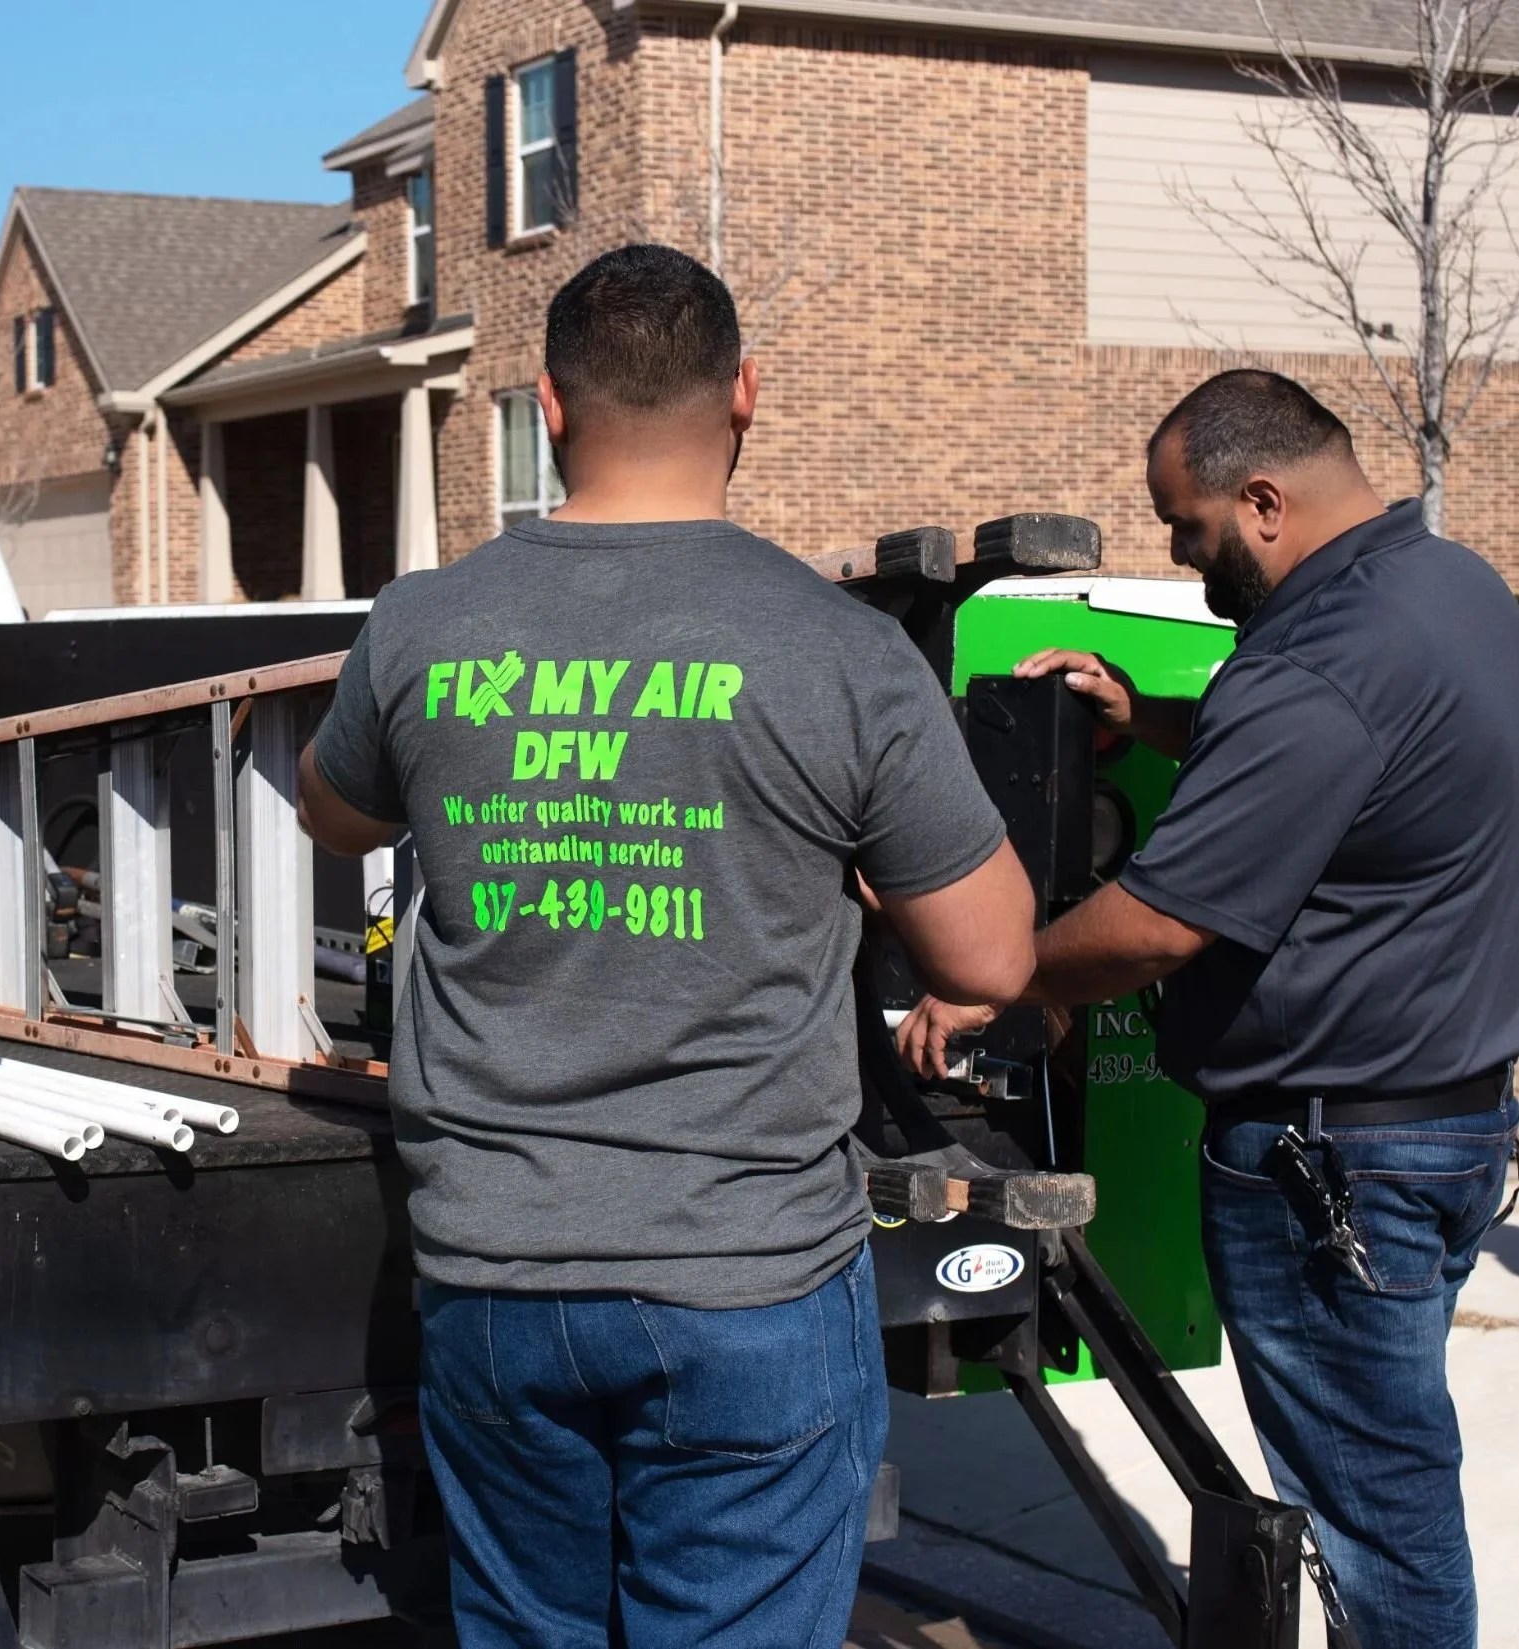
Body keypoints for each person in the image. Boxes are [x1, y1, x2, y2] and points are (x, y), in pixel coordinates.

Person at [296, 243, 1036, 1648]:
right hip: (745, 1278)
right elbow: (992, 958)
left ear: (549, 406)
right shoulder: (836, 649)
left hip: (496, 1274)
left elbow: (331, 810)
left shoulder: (422, 625)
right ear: (744, 393)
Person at [899, 369, 1519, 1649]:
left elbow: (1156, 924)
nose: (1181, 557)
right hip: (1449, 1122)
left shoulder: (1317, 660)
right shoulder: (1454, 592)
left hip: (1326, 1157)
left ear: (1262, 500)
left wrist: (991, 976)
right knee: (1394, 1474)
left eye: (1185, 525)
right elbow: (1357, 766)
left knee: (1372, 1514)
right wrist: (1155, 718)